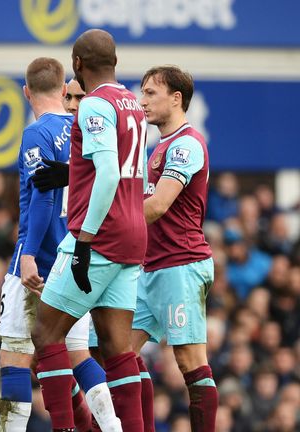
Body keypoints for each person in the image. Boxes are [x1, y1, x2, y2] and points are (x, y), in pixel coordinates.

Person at [29, 29, 147, 432]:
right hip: (133, 236)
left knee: (45, 333)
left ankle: (63, 428)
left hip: (100, 236)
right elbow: (131, 169)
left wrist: (83, 239)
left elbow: (110, 173)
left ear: (77, 65)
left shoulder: (94, 104)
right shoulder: (132, 101)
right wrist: (72, 173)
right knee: (117, 349)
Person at [0, 59, 118, 431]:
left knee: (14, 355)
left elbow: (44, 195)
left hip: (37, 260)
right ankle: (113, 426)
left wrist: (30, 254)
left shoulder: (37, 133)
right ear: (65, 91)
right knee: (78, 354)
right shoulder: (82, 132)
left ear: (26, 92)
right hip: (75, 259)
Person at [129, 65, 219, 431]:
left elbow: (157, 206)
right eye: (142, 92)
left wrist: (105, 224)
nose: (142, 100)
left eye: (151, 93)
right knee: (116, 352)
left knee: (189, 361)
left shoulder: (186, 144)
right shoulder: (160, 145)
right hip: (150, 268)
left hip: (181, 265)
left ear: (176, 98)